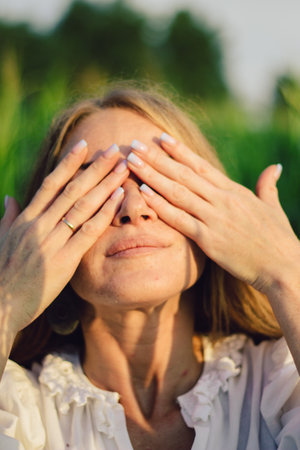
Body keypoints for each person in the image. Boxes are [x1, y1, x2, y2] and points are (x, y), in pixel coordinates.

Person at [0, 83, 299, 450]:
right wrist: (5, 304)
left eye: (159, 179)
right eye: (96, 187)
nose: (133, 208)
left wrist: (288, 273)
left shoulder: (281, 381)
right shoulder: (18, 407)